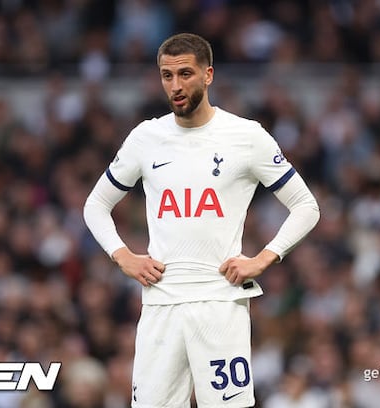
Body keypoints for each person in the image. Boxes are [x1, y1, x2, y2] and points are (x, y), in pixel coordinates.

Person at [83, 32, 320, 408]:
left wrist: (263, 258)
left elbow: (306, 206)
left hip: (219, 303)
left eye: (185, 74)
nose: (175, 86)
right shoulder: (146, 137)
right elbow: (95, 204)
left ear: (208, 75)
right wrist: (122, 255)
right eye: (167, 76)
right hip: (161, 303)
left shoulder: (246, 136)